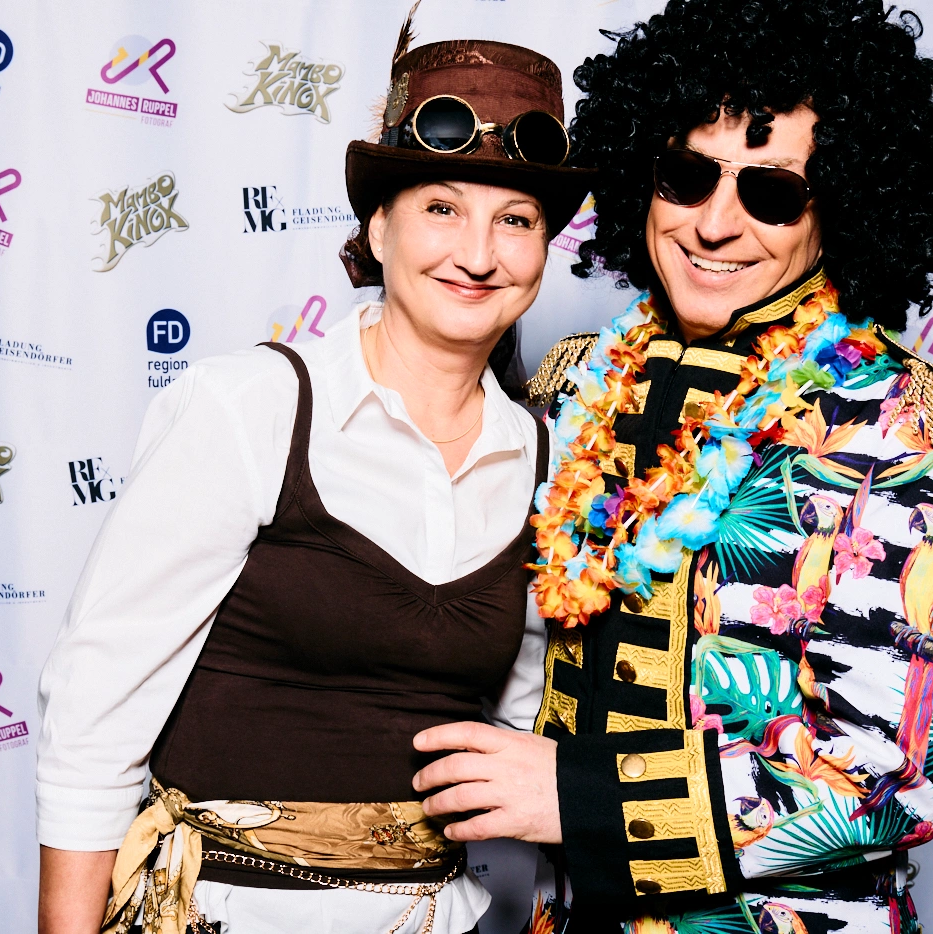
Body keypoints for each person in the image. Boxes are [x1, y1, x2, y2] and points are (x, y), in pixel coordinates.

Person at [410, 1, 933, 931]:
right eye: (687, 176)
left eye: (772, 193)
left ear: (841, 205)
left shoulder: (905, 420)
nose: (714, 224)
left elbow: (895, 777)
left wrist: (582, 798)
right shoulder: (579, 384)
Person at [34, 18, 594, 934]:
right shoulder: (251, 406)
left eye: (516, 220)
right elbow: (95, 719)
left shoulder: (552, 463)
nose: (478, 253)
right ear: (378, 226)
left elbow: (530, 723)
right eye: (441, 208)